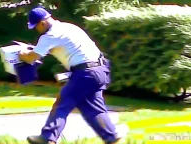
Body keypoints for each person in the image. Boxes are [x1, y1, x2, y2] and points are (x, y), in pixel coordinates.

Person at [19, 6, 121, 144]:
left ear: (42, 23)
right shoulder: (69, 27)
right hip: (100, 70)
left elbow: (31, 58)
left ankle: (47, 138)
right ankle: (112, 137)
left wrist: (22, 53)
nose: (36, 30)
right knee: (93, 109)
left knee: (62, 104)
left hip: (85, 73)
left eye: (35, 26)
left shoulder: (49, 36)